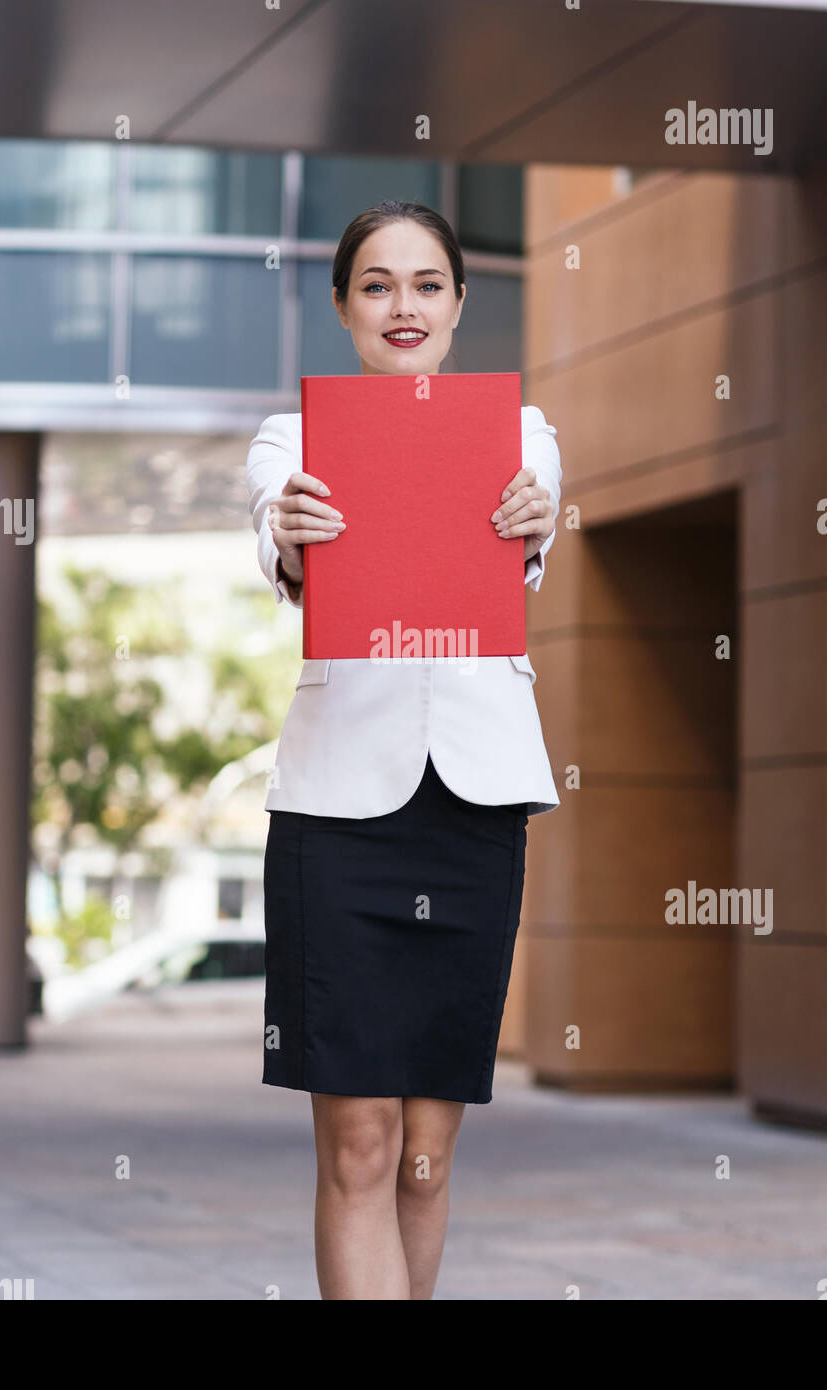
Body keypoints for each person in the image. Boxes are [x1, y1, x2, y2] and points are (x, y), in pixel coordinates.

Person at [244, 199, 562, 1300]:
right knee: (361, 1146)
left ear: (461, 302)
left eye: (426, 283)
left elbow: (540, 515)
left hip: (472, 810)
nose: (403, 305)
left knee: (426, 1155)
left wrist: (534, 515)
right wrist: (286, 530)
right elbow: (273, 531)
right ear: (342, 307)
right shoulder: (293, 442)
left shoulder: (522, 436)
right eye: (376, 284)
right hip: (338, 816)